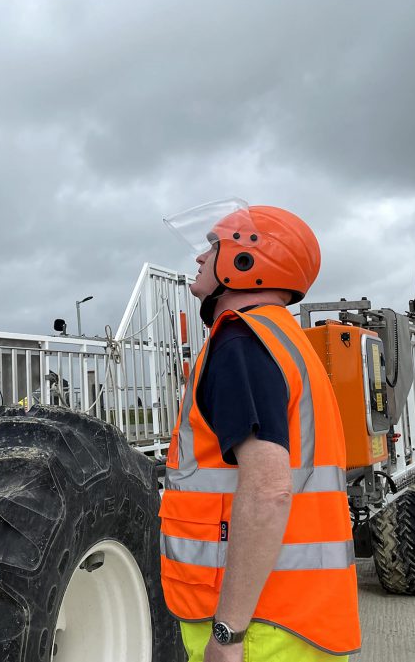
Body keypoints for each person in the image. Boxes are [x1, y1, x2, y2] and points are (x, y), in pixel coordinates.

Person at [160, 199, 360, 662]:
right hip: (296, 620)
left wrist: (228, 635)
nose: (199, 257)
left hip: (260, 631)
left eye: (212, 246)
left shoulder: (241, 342)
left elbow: (269, 490)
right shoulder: (285, 340)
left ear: (246, 261)